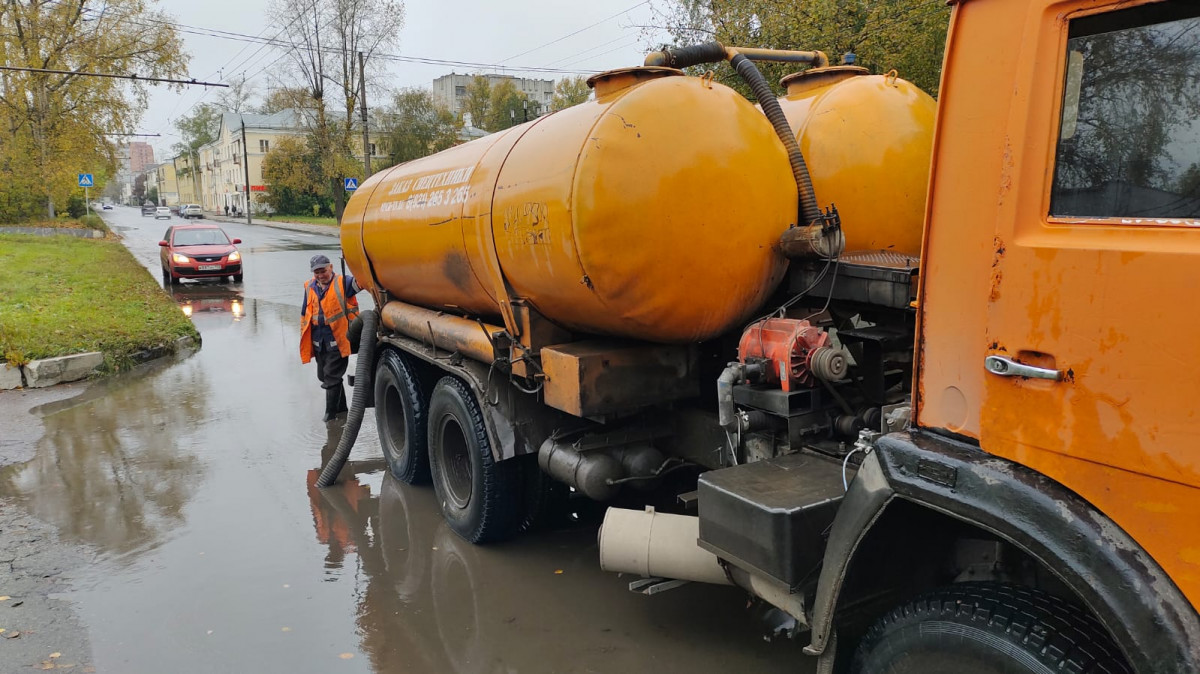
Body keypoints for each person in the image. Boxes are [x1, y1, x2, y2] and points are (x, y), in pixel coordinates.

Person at [300, 254, 364, 422]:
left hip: (339, 340)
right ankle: (342, 409)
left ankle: (330, 415)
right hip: (319, 342)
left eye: (323, 271)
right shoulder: (309, 287)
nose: (320, 275)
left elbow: (362, 283)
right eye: (317, 272)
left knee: (331, 376)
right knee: (324, 376)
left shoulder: (344, 283)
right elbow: (304, 315)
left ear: (331, 267)